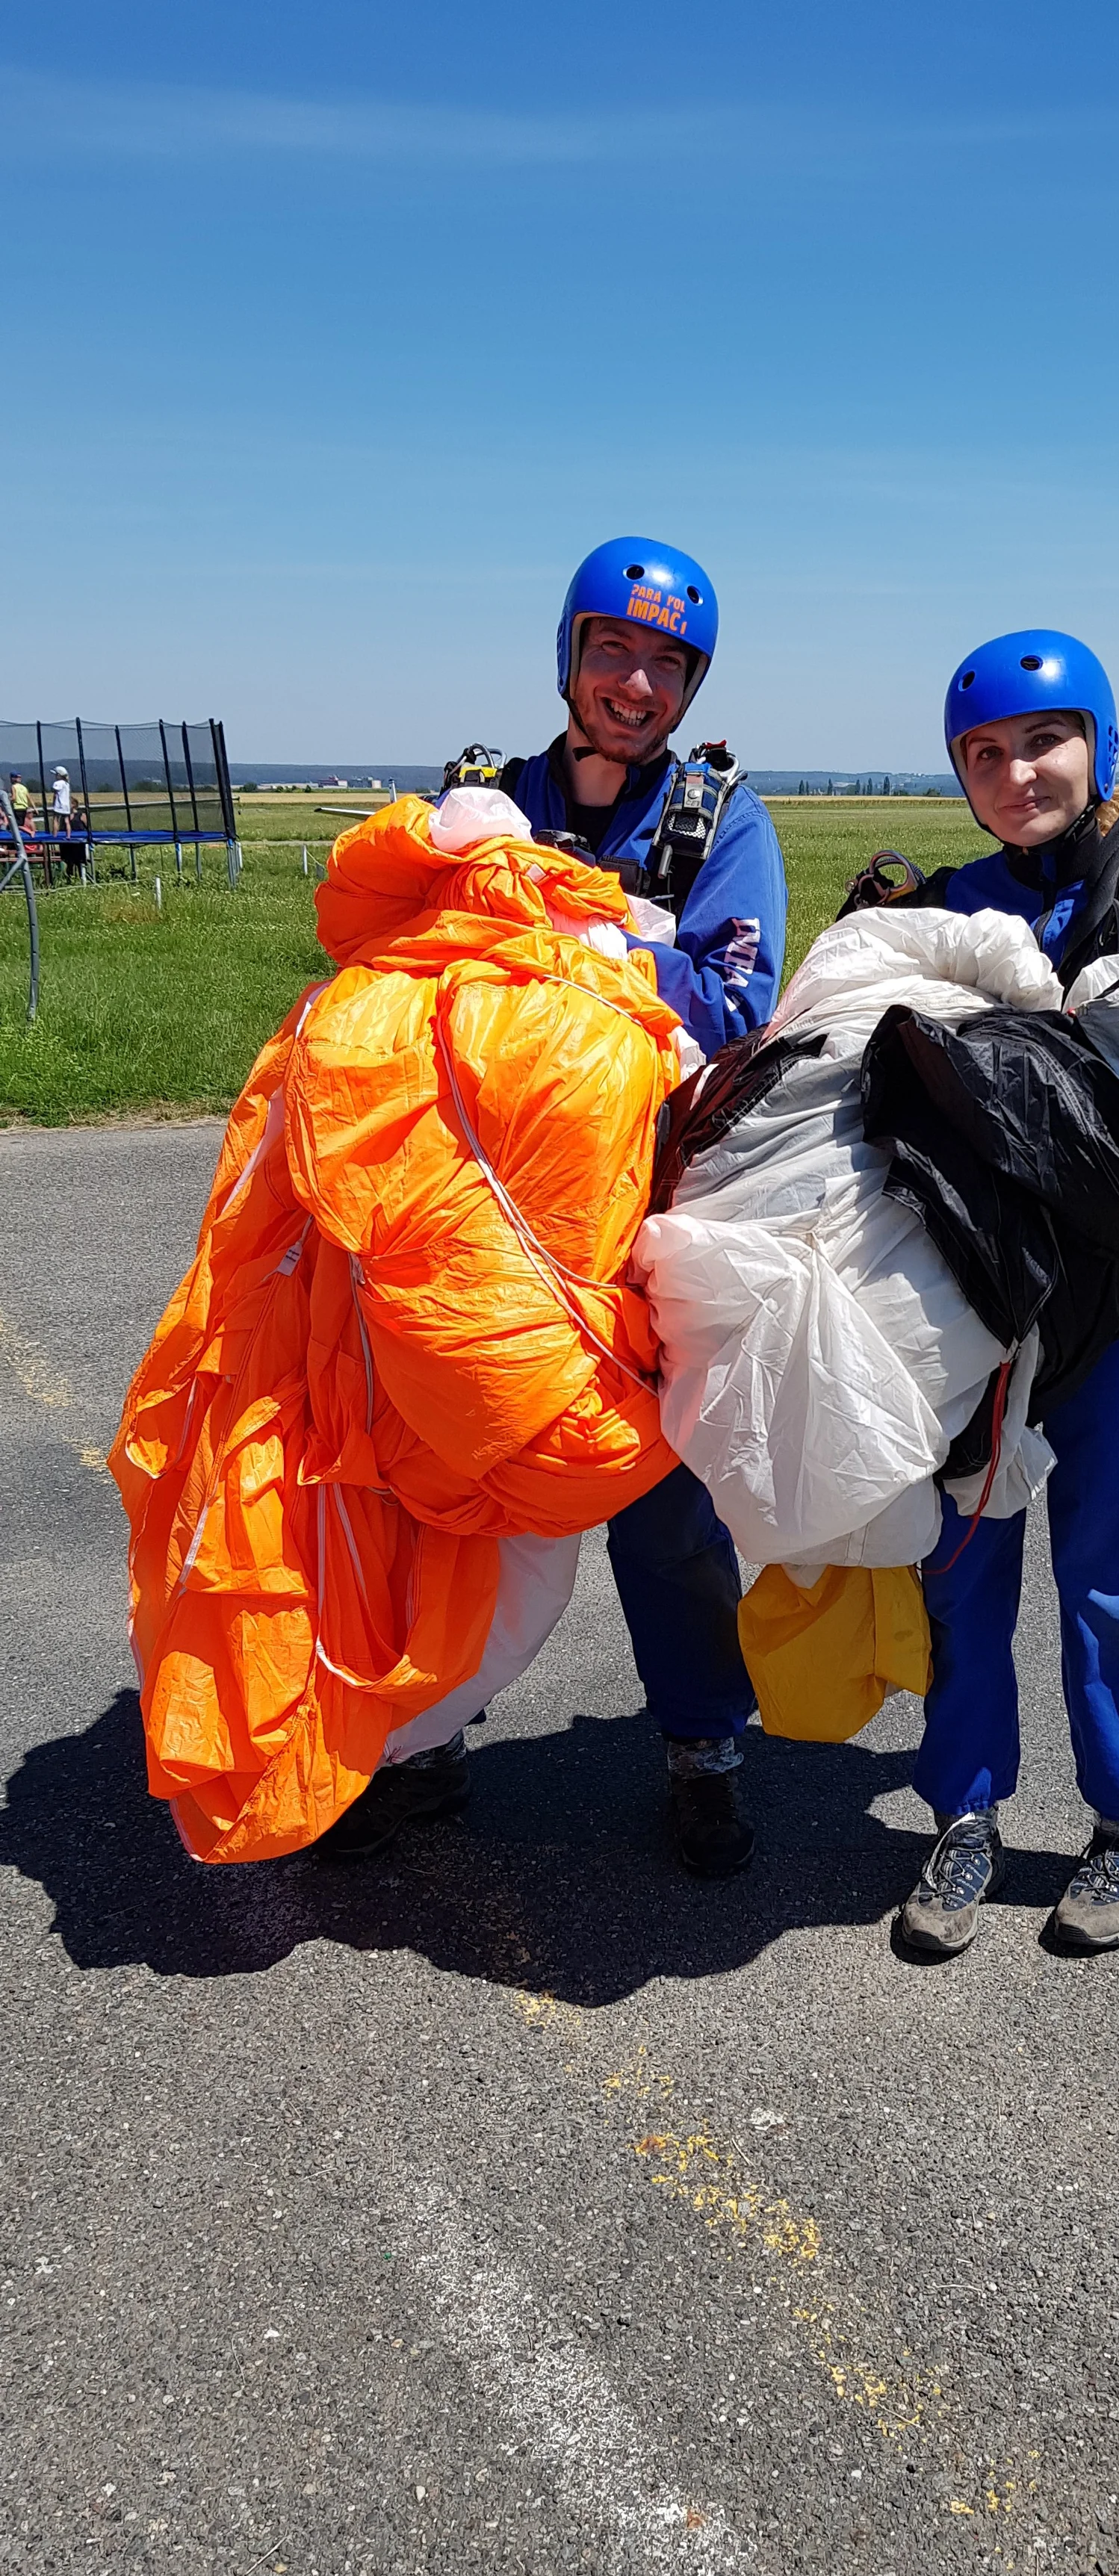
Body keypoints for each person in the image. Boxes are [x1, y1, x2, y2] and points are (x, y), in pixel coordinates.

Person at [321, 536, 788, 1873]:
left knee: (662, 1497)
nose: (635, 685)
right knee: (440, 1477)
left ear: (690, 686)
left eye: (665, 665)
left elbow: (739, 1004)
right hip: (473, 1212)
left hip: (641, 1209)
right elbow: (391, 963)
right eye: (613, 651)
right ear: (570, 655)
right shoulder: (489, 800)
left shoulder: (718, 825)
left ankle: (702, 1748)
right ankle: (423, 1746)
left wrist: (592, 947)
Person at [885, 631, 1119, 1959]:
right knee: (964, 1560)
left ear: (1097, 743)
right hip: (972, 1306)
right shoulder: (935, 906)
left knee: (1115, 1566)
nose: (1016, 771)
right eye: (983, 755)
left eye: (1043, 741)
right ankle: (965, 1811)